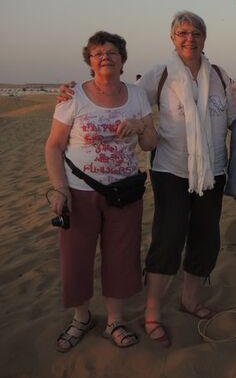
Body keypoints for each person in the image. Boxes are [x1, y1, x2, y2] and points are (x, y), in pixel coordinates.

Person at [57, 11, 236, 348]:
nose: (190, 38)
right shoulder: (159, 75)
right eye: (182, 33)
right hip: (170, 170)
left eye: (196, 33)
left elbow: (235, 117)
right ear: (173, 38)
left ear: (205, 38)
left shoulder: (219, 75)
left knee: (206, 238)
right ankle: (152, 312)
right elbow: (122, 96)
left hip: (213, 172)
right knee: (169, 238)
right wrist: (72, 92)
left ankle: (190, 300)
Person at [45, 31, 158, 352]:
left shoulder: (136, 96)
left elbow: (151, 143)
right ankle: (82, 317)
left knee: (121, 256)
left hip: (124, 192)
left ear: (123, 60)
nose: (105, 57)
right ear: (89, 60)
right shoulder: (73, 96)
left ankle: (114, 321)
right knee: (76, 258)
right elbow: (53, 146)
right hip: (79, 192)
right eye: (97, 53)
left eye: (111, 52)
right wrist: (59, 189)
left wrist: (140, 127)